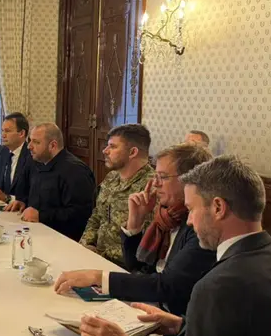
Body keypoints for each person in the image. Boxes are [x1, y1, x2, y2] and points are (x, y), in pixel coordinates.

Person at [77, 155, 271, 336]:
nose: (189, 221)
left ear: (218, 208)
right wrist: (181, 325)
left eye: (192, 209)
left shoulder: (216, 286)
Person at [54, 144, 216, 318]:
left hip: (173, 320)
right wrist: (135, 223)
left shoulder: (199, 226)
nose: (155, 184)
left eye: (162, 177)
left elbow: (167, 286)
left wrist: (98, 277)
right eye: (155, 176)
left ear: (190, 181)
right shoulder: (166, 216)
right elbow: (138, 269)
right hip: (149, 306)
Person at [80, 124, 154, 266]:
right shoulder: (111, 178)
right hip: (96, 257)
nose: (105, 151)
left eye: (112, 147)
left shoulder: (151, 187)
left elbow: (149, 239)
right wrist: (85, 245)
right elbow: (97, 216)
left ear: (132, 152)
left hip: (125, 266)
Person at [22, 123, 95, 241]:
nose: (29, 146)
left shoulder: (75, 170)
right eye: (30, 140)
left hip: (63, 239)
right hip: (36, 232)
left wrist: (41, 216)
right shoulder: (38, 163)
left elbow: (80, 214)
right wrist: (22, 202)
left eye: (36, 142)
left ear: (53, 145)